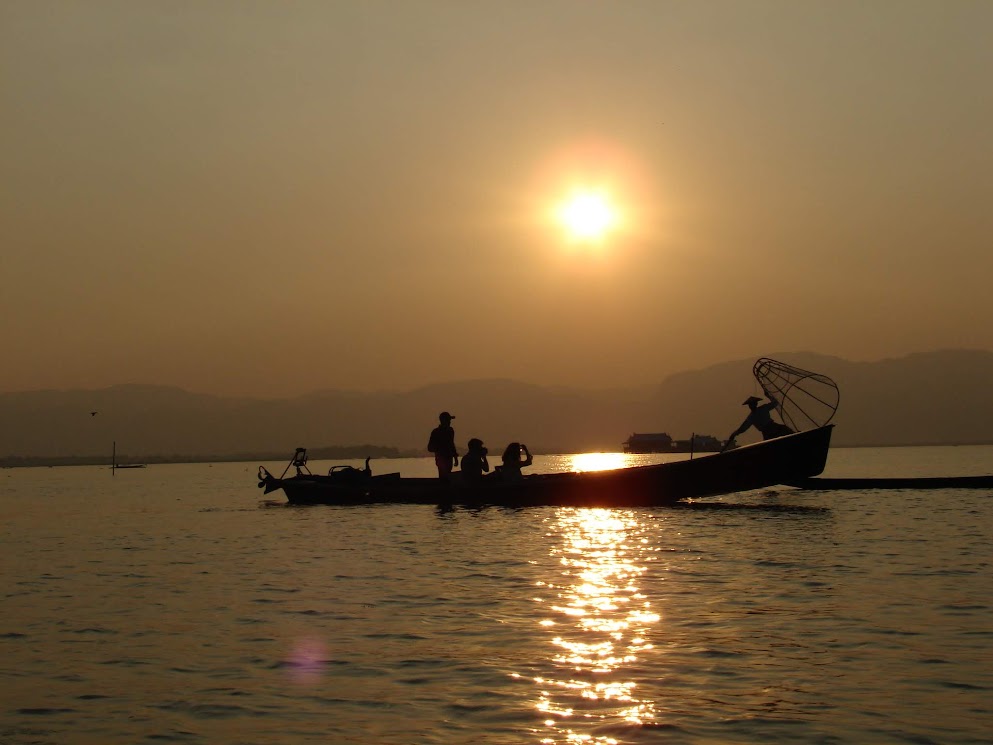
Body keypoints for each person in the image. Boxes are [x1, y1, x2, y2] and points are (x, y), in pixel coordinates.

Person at [724, 389, 793, 448]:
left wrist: (768, 395)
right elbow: (743, 428)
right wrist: (735, 433)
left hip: (774, 428)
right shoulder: (751, 417)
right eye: (751, 405)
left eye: (753, 404)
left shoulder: (762, 409)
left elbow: (775, 403)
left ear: (756, 404)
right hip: (767, 433)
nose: (751, 406)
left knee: (788, 432)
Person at [427, 411, 458, 481]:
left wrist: (455, 457)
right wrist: (441, 449)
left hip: (449, 458)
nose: (450, 422)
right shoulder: (436, 432)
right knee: (443, 477)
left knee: (448, 476)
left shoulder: (450, 431)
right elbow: (430, 448)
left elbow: (451, 444)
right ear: (444, 421)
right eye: (448, 420)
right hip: (441, 459)